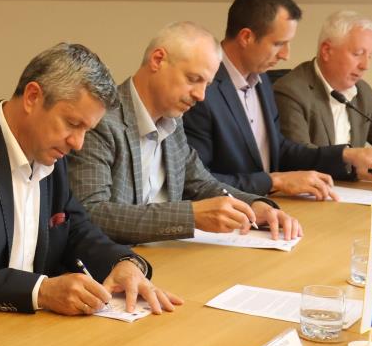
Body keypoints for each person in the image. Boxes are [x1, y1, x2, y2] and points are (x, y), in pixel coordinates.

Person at [0, 42, 181, 325]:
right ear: (32, 97)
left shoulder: (50, 154)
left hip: (30, 325)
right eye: (72, 123)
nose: (78, 143)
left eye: (86, 129)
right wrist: (41, 291)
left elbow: (77, 230)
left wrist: (124, 263)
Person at [70, 22, 301, 244]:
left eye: (206, 85)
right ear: (157, 60)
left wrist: (255, 205)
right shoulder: (101, 121)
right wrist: (190, 216)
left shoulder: (173, 121)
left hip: (168, 254)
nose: (200, 95)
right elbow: (92, 213)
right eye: (193, 79)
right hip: (120, 261)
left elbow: (202, 183)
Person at [183, 0, 372, 198]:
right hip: (233, 216)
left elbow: (281, 150)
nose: (286, 55)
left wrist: (346, 155)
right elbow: (195, 182)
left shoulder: (261, 79)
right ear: (246, 37)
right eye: (278, 44)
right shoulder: (201, 90)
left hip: (274, 209)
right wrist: (273, 182)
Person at [273, 10, 372, 153]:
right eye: (358, 54)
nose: (365, 66)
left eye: (370, 56)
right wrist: (352, 159)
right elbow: (300, 156)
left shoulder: (362, 92)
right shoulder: (291, 91)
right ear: (327, 51)